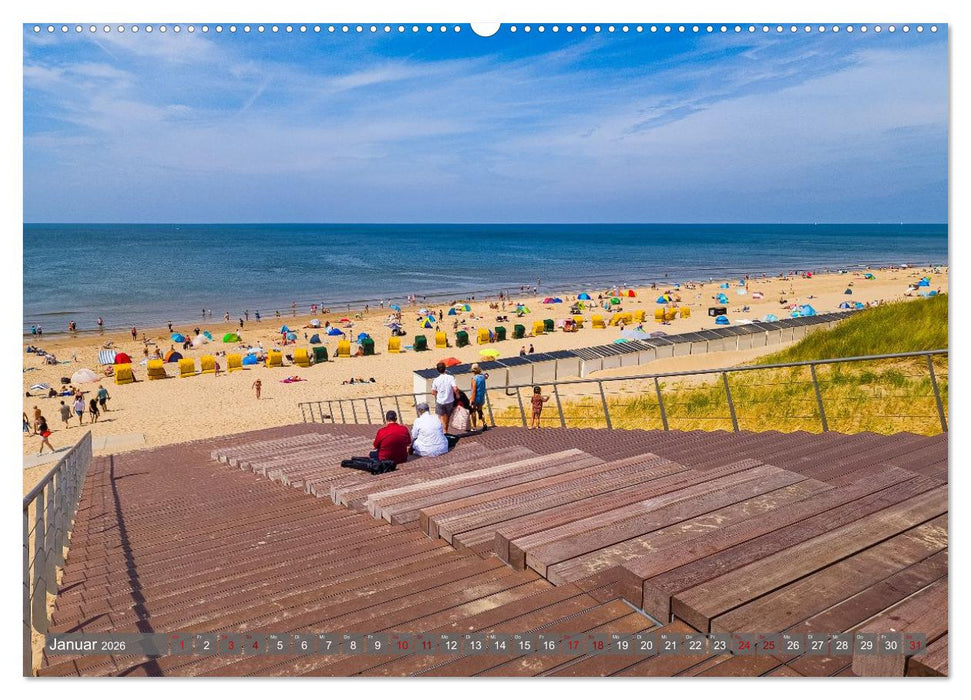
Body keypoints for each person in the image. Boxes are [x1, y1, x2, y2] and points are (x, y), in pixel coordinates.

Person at [430, 361, 457, 432]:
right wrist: (457, 395)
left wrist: (438, 393)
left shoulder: (436, 380)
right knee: (447, 417)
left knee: (441, 417)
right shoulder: (451, 377)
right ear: (445, 368)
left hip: (440, 401)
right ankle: (446, 431)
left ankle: (444, 432)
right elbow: (455, 388)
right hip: (450, 400)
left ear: (438, 370)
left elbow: (433, 392)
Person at [469, 364, 488, 431]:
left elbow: (474, 390)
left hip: (475, 397)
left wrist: (472, 399)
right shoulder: (482, 377)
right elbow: (486, 375)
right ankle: (484, 423)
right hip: (481, 396)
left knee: (473, 411)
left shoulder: (474, 379)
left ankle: (474, 427)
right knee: (479, 410)